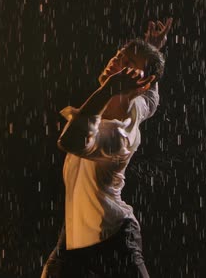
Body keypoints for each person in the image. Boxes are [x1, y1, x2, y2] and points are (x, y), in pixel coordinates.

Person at [41, 18, 173, 278]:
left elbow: (70, 141)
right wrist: (151, 46)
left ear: (140, 82)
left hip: (113, 238)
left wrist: (107, 90)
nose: (116, 62)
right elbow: (152, 96)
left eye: (127, 64)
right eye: (119, 55)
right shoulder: (138, 105)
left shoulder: (116, 136)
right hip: (74, 237)